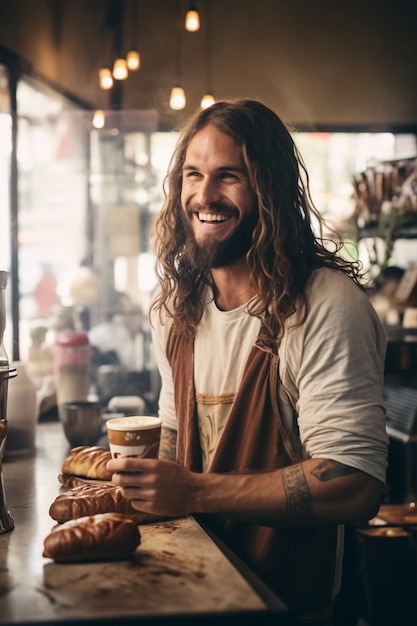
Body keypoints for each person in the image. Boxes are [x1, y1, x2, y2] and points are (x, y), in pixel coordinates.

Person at [107, 99, 388, 624]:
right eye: (194, 174)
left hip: (287, 609)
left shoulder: (324, 306)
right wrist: (132, 482)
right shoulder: (176, 312)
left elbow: (354, 484)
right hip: (185, 595)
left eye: (228, 176)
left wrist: (192, 490)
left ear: (270, 189)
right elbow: (175, 439)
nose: (204, 195)